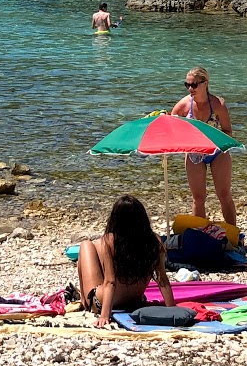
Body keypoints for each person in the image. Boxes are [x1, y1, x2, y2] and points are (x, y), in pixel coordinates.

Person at [75, 195, 175, 327]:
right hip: (135, 302)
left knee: (86, 245)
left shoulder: (110, 240)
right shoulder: (154, 240)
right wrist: (173, 309)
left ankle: (84, 301)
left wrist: (105, 316)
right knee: (98, 252)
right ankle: (85, 299)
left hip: (101, 303)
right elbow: (162, 279)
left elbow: (110, 282)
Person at [172, 67, 238, 226]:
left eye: (194, 85)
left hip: (217, 152)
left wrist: (213, 139)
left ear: (205, 83)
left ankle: (233, 235)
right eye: (187, 85)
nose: (190, 88)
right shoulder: (184, 105)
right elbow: (171, 128)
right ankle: (200, 236)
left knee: (224, 195)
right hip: (194, 154)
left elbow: (228, 131)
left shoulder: (217, 104)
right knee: (198, 198)